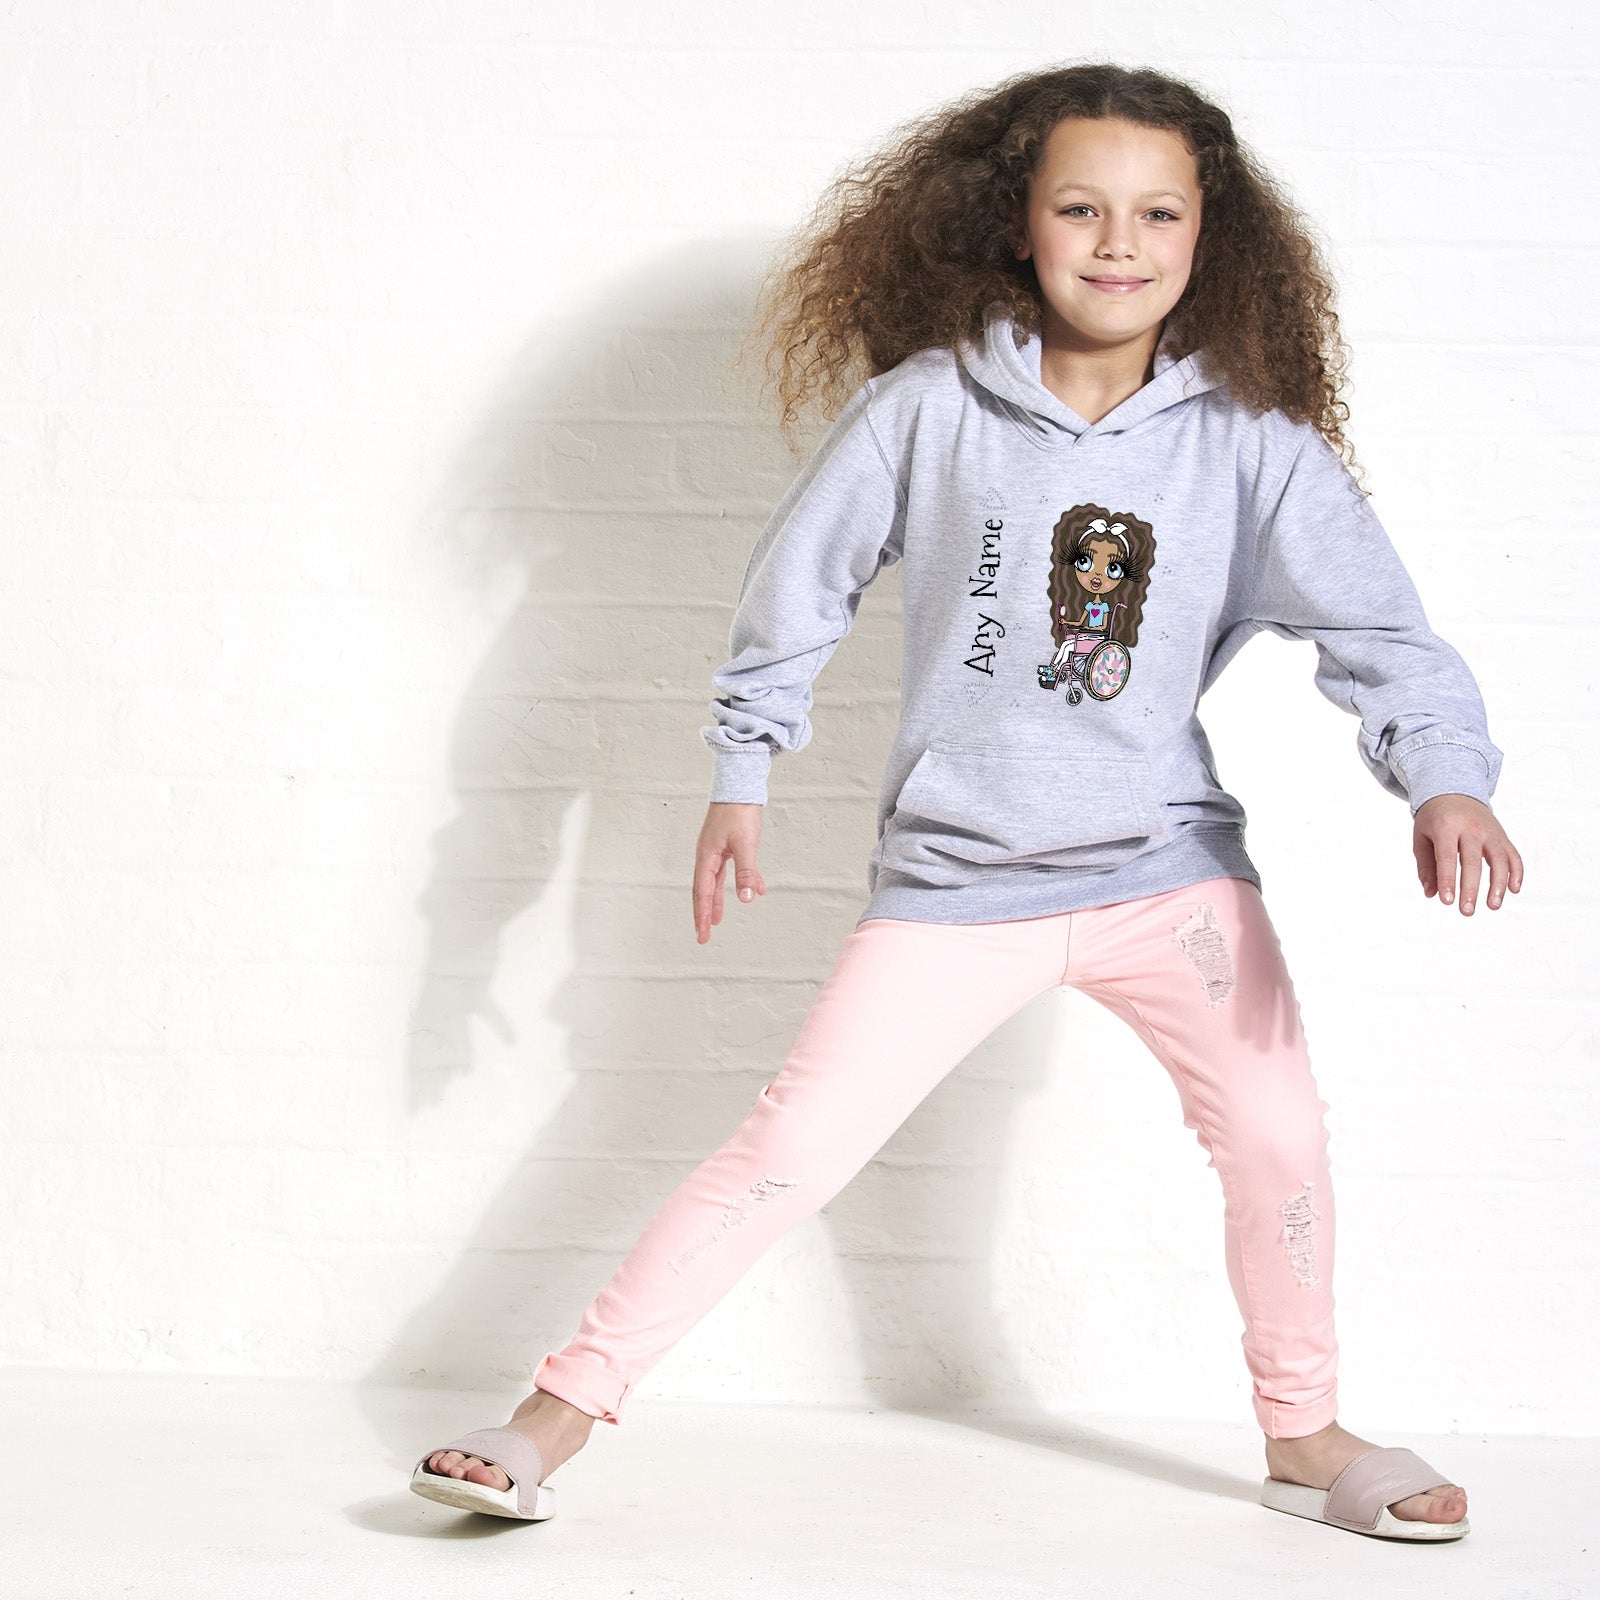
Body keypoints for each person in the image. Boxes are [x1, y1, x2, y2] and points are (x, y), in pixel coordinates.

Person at [411, 62, 1523, 1540]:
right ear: (1016, 224)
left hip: (1166, 877)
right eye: (1080, 208)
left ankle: (1306, 1435)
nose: (1118, 242)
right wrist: (744, 771)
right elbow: (795, 594)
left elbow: (1383, 633)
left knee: (1278, 1137)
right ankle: (552, 1416)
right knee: (790, 1151)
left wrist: (1443, 778)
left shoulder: (1251, 443)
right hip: (956, 884)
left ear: (1209, 237)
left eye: (1158, 213)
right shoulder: (927, 410)